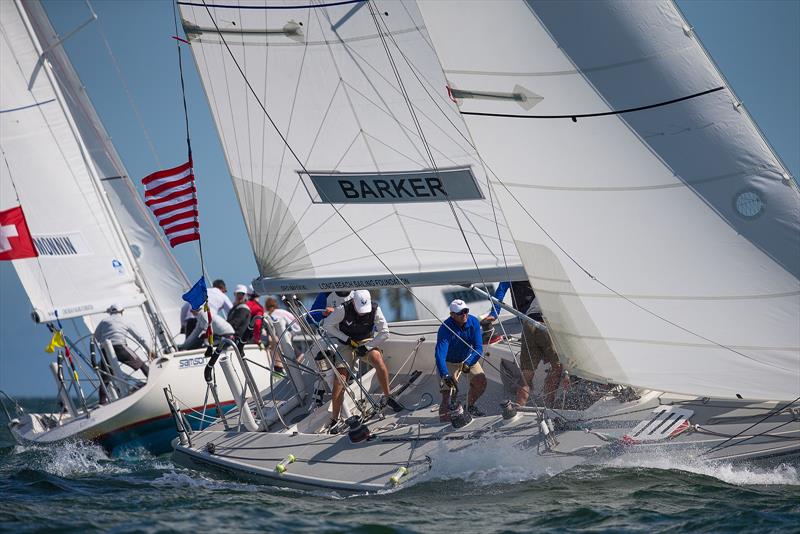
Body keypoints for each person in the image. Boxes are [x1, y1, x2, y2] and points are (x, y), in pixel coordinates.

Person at [322, 289, 402, 428]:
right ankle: (335, 418)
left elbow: (385, 333)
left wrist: (367, 347)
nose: (362, 313)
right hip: (346, 344)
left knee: (377, 359)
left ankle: (388, 397)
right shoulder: (342, 309)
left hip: (366, 341)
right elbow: (327, 325)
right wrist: (345, 339)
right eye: (359, 310)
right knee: (340, 379)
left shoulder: (376, 309)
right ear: (353, 302)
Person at [435, 299, 487, 422]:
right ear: (452, 315)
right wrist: (445, 374)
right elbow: (440, 355)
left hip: (467, 358)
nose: (464, 314)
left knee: (481, 381)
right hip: (449, 362)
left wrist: (468, 363)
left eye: (466, 311)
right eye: (460, 313)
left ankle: (469, 407)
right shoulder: (445, 328)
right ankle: (445, 423)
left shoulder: (473, 321)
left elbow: (478, 348)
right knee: (447, 396)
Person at [94, 304, 152, 384]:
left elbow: (95, 338)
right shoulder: (126, 321)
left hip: (105, 351)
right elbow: (140, 338)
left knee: (105, 380)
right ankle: (154, 382)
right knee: (142, 365)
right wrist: (149, 351)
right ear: (122, 311)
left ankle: (103, 397)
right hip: (120, 348)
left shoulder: (104, 321)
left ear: (110, 312)